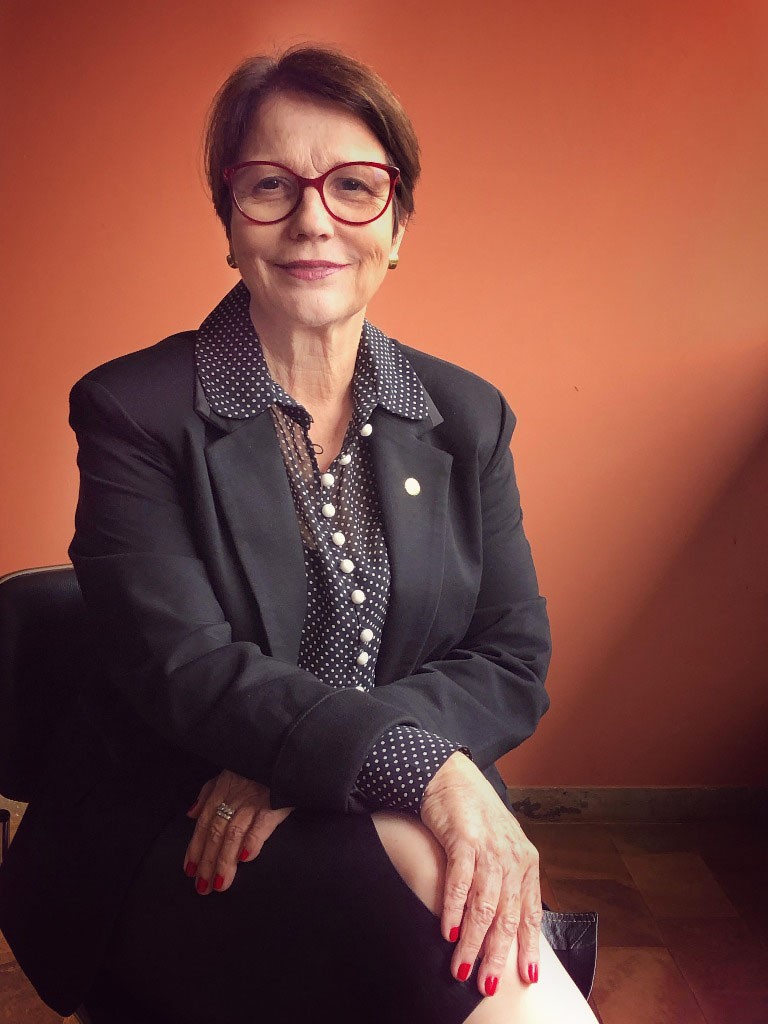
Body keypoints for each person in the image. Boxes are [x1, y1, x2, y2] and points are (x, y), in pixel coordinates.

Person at [0, 46, 597, 1023]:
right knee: (428, 880)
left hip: (383, 816)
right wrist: (418, 764)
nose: (314, 218)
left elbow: (511, 656)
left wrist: (330, 760)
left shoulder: (467, 415)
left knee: (426, 878)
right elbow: (188, 671)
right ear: (230, 222)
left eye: (354, 186)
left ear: (397, 226)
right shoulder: (132, 411)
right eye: (271, 185)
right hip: (179, 828)